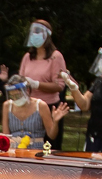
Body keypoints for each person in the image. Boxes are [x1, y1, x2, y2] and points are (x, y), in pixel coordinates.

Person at [16, 18, 69, 148]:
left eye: (38, 32)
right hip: (29, 108)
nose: (35, 35)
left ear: (47, 36)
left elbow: (59, 86)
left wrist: (37, 84)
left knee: (49, 146)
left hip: (49, 107)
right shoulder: (27, 57)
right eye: (32, 32)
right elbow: (21, 79)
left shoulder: (56, 57)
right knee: (27, 145)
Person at [0, 76, 65, 144]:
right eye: (12, 96)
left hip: (35, 149)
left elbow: (52, 136)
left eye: (18, 95)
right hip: (14, 149)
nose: (15, 99)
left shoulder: (40, 105)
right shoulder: (7, 106)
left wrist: (55, 122)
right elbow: (6, 135)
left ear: (26, 90)